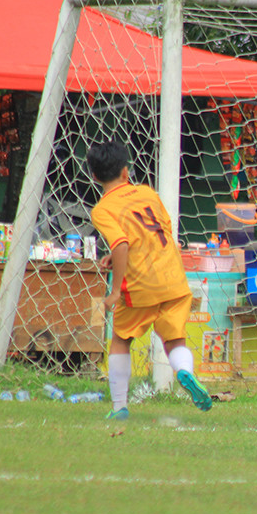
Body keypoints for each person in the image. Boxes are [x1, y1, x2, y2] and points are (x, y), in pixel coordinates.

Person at [87, 140, 212, 420]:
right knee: (174, 340)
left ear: (94, 177)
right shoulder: (146, 192)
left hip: (140, 285)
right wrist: (115, 254)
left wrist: (116, 291)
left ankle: (119, 407)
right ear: (126, 172)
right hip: (173, 279)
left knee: (121, 339)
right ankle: (184, 372)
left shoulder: (103, 209)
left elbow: (121, 243)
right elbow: (158, 230)